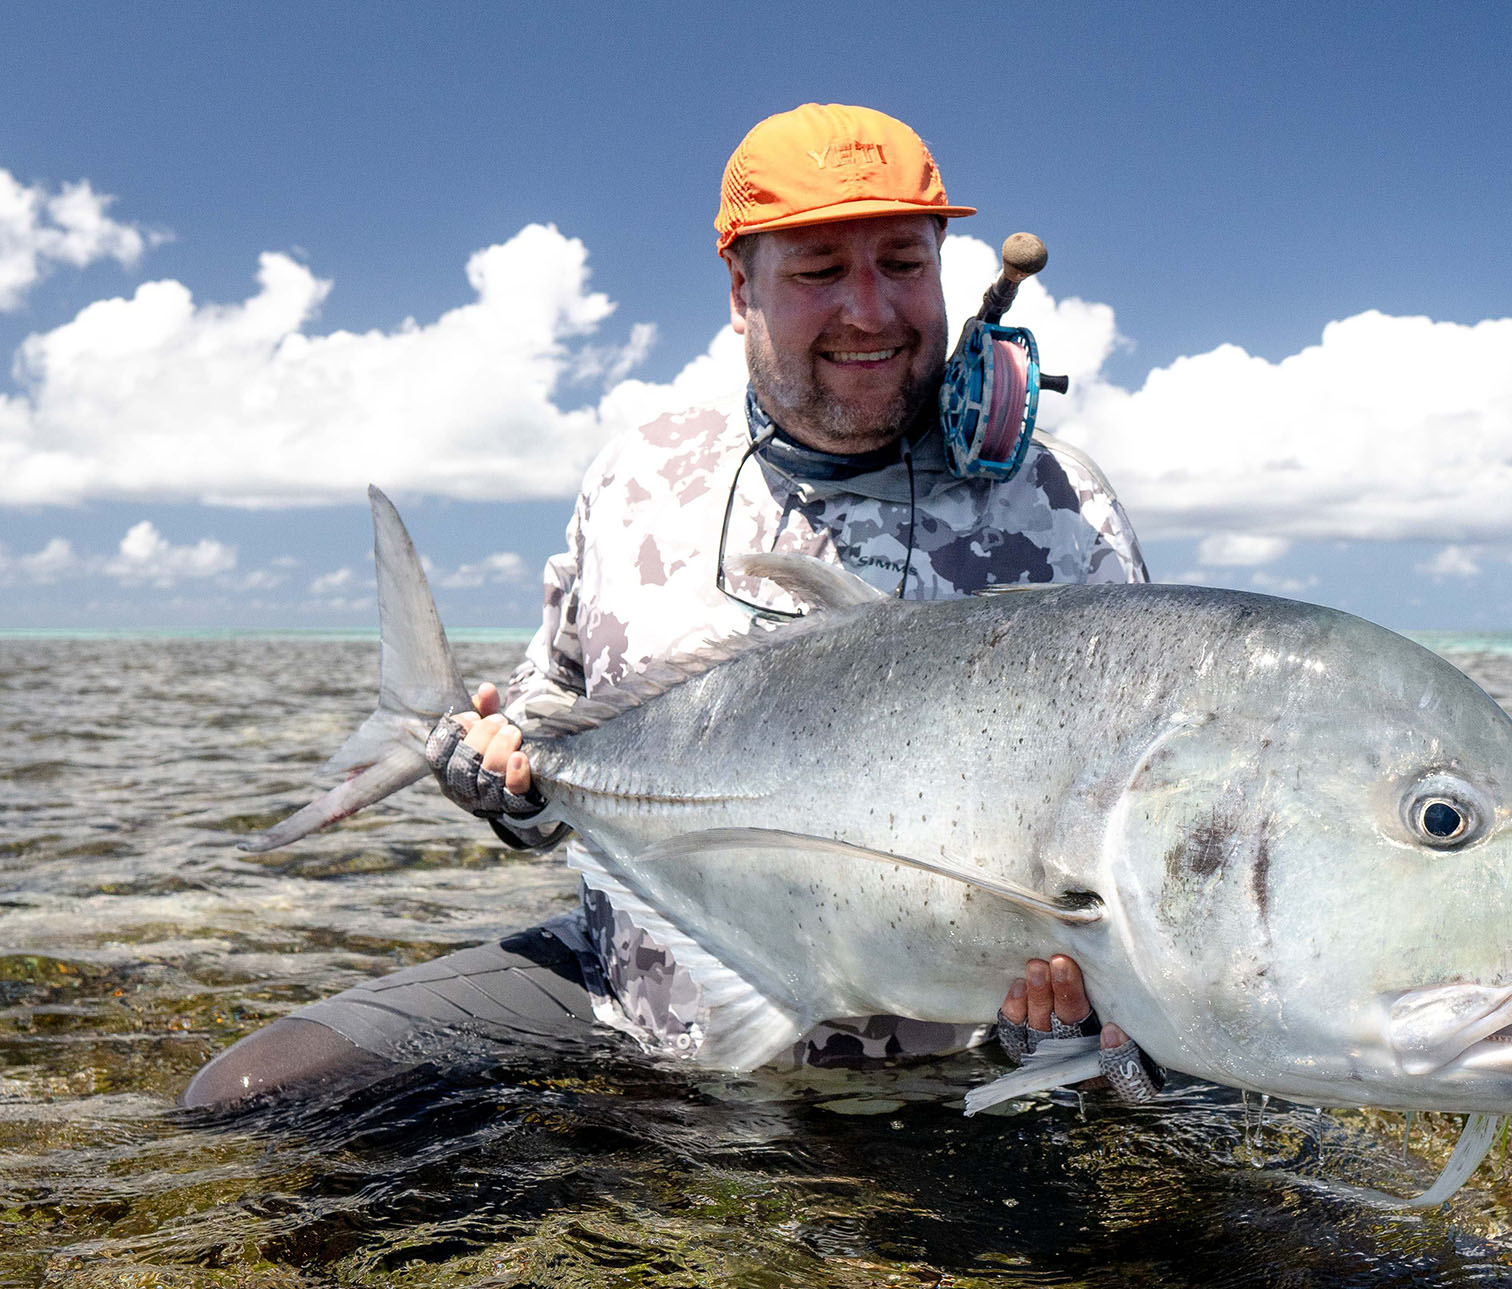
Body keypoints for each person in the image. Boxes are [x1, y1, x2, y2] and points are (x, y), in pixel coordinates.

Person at [182, 104, 1154, 1109]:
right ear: (741, 288)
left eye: (902, 263)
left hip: (956, 1066)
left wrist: (1099, 1003)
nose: (870, 310)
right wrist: (502, 777)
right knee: (255, 1094)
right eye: (820, 271)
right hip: (636, 1003)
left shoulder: (1058, 506)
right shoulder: (642, 474)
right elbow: (546, 699)